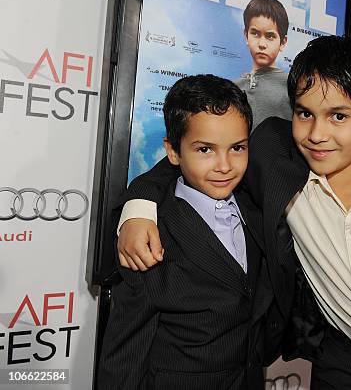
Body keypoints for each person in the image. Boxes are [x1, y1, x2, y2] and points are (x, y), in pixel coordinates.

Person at [117, 36, 351, 389]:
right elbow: (195, 156)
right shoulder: (274, 157)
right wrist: (139, 205)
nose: (316, 134)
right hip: (344, 365)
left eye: (338, 116)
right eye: (304, 113)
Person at [98, 75, 280, 390]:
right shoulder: (150, 236)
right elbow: (125, 355)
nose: (224, 165)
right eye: (205, 150)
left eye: (237, 148)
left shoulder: (255, 205)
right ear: (173, 152)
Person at [234, 0, 292, 128]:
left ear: (282, 42)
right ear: (246, 35)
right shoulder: (232, 88)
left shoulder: (291, 86)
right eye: (255, 33)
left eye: (270, 36)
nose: (262, 44)